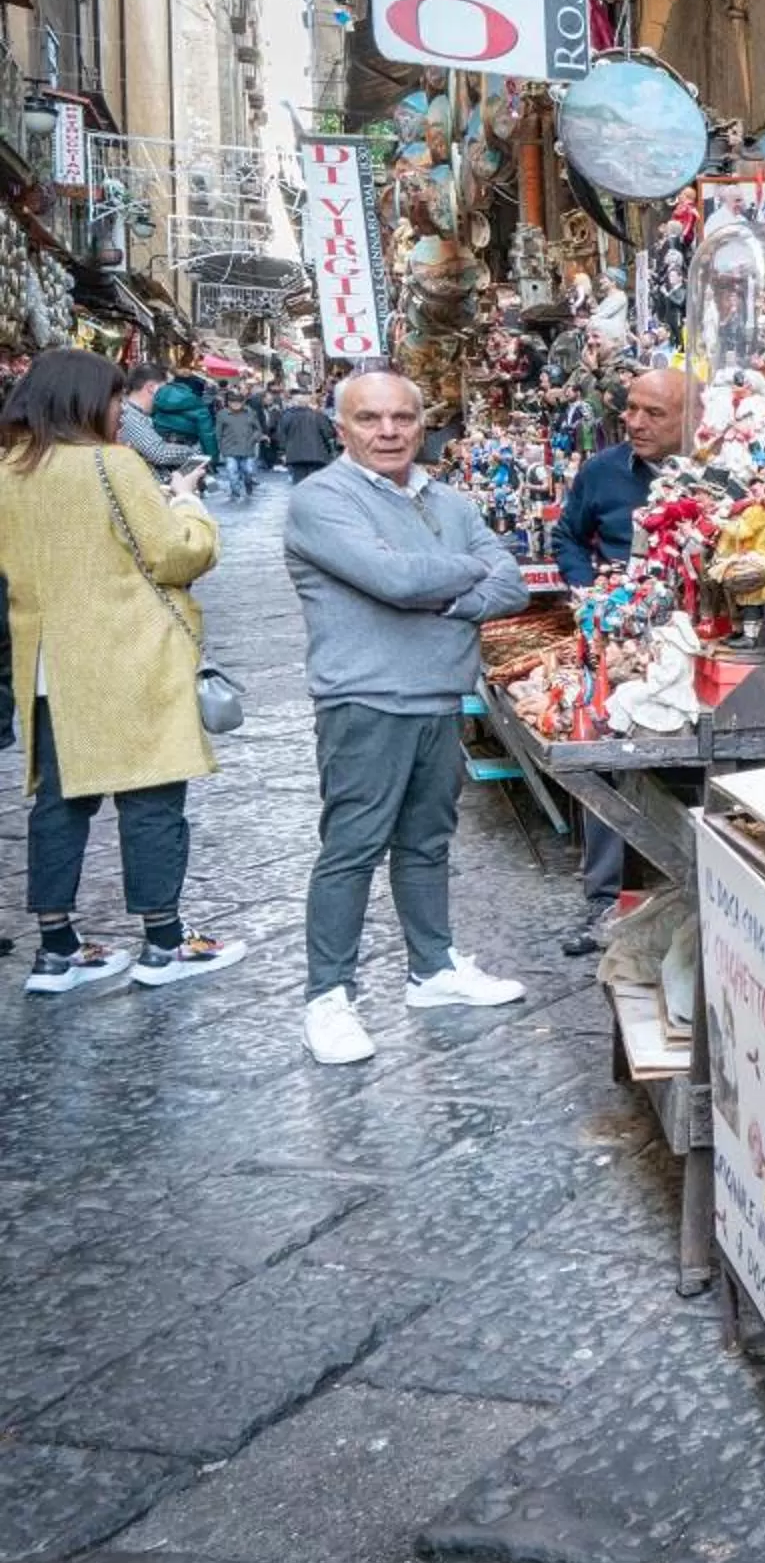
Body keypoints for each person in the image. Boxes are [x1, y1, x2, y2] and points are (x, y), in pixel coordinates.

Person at [283, 367, 532, 1065]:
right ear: (342, 428)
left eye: (401, 419)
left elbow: (507, 580)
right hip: (363, 702)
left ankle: (433, 970)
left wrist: (435, 583)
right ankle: (327, 997)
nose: (387, 431)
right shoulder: (320, 499)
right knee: (353, 848)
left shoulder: (446, 499)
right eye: (369, 419)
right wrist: (460, 572)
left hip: (437, 698)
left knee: (427, 841)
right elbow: (393, 580)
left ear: (424, 426)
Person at [0, 347, 243, 992]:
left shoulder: (7, 471)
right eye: (113, 399)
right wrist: (188, 506)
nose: (118, 411)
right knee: (152, 796)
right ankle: (163, 942)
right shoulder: (113, 465)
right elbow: (174, 557)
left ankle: (55, 949)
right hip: (127, 655)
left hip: (50, 664)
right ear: (88, 401)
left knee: (59, 802)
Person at [552, 366, 693, 954]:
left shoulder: (726, 473)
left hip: (697, 635)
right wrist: (592, 595)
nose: (633, 422)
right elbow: (566, 537)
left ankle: (696, 887)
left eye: (652, 413)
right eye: (630, 409)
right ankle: (604, 900)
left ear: (691, 418)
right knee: (606, 753)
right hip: (623, 635)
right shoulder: (604, 472)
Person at [118, 363, 197, 475]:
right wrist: (193, 452)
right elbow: (159, 453)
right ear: (151, 388)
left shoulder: (138, 413)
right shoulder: (129, 414)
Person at [276, 383, 338, 481]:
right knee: (315, 484)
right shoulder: (318, 416)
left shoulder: (287, 416)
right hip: (317, 455)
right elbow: (329, 433)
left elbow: (281, 436)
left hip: (295, 456)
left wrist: (282, 452)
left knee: (299, 484)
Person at [214, 391, 262, 501]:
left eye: (238, 402)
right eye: (233, 402)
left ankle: (248, 485)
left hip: (247, 448)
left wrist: (253, 439)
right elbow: (218, 433)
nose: (236, 404)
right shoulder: (222, 414)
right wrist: (220, 447)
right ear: (229, 403)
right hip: (229, 449)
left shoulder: (250, 413)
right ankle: (236, 494)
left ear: (243, 402)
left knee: (248, 471)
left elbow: (258, 429)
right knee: (232, 472)